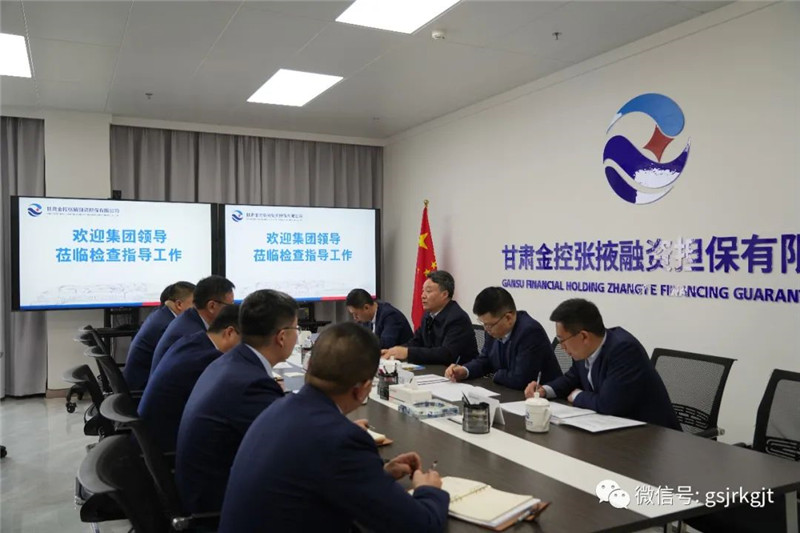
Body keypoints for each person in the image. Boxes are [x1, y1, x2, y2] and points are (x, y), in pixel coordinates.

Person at [219, 322, 449, 533]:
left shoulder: (280, 407)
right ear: (363, 389)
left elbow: (319, 473)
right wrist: (429, 490)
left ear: (309, 366)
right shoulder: (340, 439)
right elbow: (422, 526)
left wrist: (378, 474)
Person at [175, 289, 296, 513]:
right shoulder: (251, 384)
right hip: (217, 505)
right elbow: (289, 450)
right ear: (281, 337)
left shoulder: (231, 362)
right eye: (296, 329)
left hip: (201, 487)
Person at [524, 298, 681, 430]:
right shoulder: (585, 350)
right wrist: (544, 390)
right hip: (615, 430)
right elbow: (571, 379)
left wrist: (578, 395)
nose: (562, 347)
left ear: (584, 336)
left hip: (653, 436)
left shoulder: (624, 350)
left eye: (562, 340)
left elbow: (608, 404)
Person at [137, 304, 241, 453]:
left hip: (154, 436)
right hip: (166, 448)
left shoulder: (193, 341)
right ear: (230, 333)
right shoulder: (206, 360)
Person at [445, 287, 562, 390]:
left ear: (508, 318)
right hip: (510, 394)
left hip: (543, 401)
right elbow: (485, 360)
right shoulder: (493, 329)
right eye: (483, 324)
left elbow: (520, 379)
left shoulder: (530, 332)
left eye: (489, 325)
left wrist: (495, 374)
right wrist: (465, 370)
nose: (486, 329)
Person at [382, 270, 478, 365]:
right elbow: (417, 342)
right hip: (434, 369)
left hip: (457, 372)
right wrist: (394, 351)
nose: (422, 296)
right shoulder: (428, 315)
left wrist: (408, 353)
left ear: (444, 294)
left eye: (428, 291)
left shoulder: (457, 318)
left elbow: (447, 354)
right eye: (422, 291)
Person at [150, 275, 235, 375]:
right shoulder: (191, 334)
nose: (232, 311)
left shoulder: (189, 318)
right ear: (212, 306)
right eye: (230, 306)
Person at [123, 281, 195, 390]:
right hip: (143, 386)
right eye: (195, 303)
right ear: (179, 304)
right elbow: (181, 362)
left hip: (140, 381)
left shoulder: (161, 314)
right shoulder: (168, 325)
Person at [345, 288, 413, 349]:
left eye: (356, 314)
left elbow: (386, 345)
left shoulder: (390, 316)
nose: (355, 318)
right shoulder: (366, 319)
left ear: (366, 307)